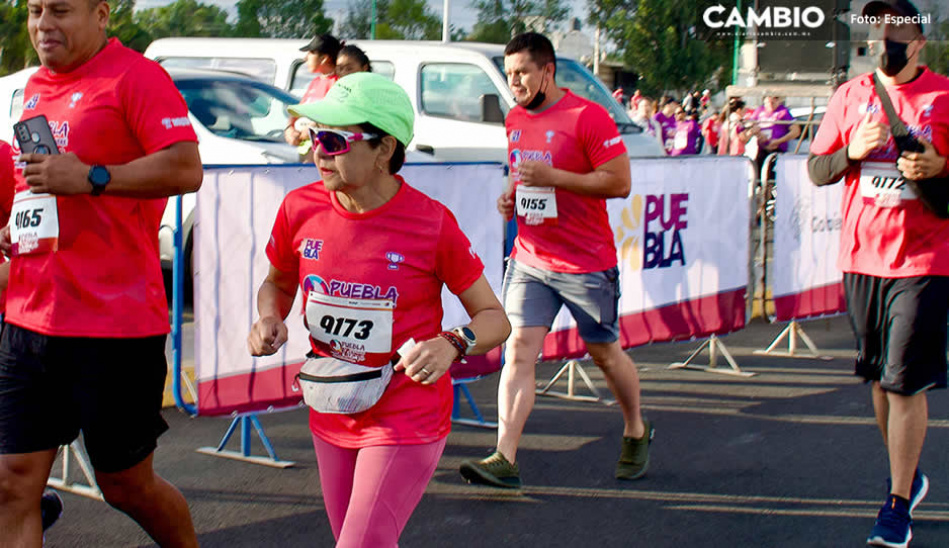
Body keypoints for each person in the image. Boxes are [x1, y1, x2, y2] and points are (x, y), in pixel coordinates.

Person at [248, 72, 510, 546]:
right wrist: (270, 317)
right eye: (312, 137)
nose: (317, 153)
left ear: (384, 149)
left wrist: (453, 342)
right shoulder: (298, 208)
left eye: (333, 140)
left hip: (406, 410)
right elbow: (277, 283)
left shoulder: (430, 223)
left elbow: (495, 318)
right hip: (333, 405)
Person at [0, 0, 203, 545]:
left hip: (112, 328)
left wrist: (92, 176)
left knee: (125, 486)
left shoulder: (135, 77)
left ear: (101, 14)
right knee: (12, 484)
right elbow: (42, 186)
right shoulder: (36, 86)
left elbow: (186, 168)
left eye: (60, 11)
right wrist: (20, 229)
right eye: (36, 11)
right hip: (29, 319)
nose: (44, 25)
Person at [458, 32, 652, 490]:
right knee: (519, 350)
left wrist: (554, 178)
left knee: (603, 354)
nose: (515, 83)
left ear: (548, 70)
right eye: (509, 75)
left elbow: (619, 182)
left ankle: (636, 428)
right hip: (530, 257)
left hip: (586, 263)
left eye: (522, 72)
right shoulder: (515, 119)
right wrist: (511, 196)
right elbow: (520, 171)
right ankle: (504, 457)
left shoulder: (589, 117)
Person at [807, 1, 949, 545]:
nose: (883, 37)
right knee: (879, 379)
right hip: (862, 257)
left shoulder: (942, 95)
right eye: (877, 27)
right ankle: (907, 478)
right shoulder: (850, 95)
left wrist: (940, 165)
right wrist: (851, 150)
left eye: (896, 29)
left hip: (926, 257)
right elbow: (820, 170)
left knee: (904, 379)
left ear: (918, 41)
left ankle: (895, 505)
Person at [284, 33, 343, 147]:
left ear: (324, 58)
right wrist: (289, 129)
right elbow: (298, 111)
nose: (305, 58)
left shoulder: (338, 82)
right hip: (306, 152)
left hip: (325, 152)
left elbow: (335, 115)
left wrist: (314, 127)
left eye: (311, 53)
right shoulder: (315, 82)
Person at [750, 95, 801, 174]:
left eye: (772, 103)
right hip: (762, 149)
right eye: (768, 103)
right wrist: (758, 134)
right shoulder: (759, 110)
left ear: (777, 101)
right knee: (758, 173)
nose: (770, 105)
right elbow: (751, 126)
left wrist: (778, 141)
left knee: (773, 175)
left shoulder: (783, 112)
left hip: (777, 150)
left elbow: (796, 131)